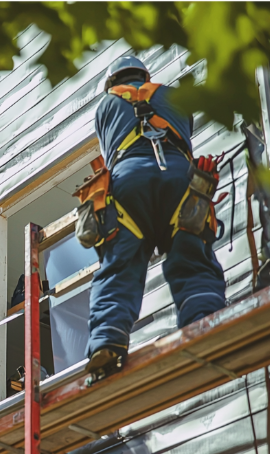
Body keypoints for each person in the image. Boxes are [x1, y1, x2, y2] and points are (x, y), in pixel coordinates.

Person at [85, 56, 226, 374]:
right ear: (145, 75)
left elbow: (111, 152)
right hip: (181, 178)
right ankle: (205, 320)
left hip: (129, 181)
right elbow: (184, 135)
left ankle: (107, 341)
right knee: (191, 256)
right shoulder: (174, 96)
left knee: (120, 266)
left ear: (113, 81)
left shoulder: (106, 106)